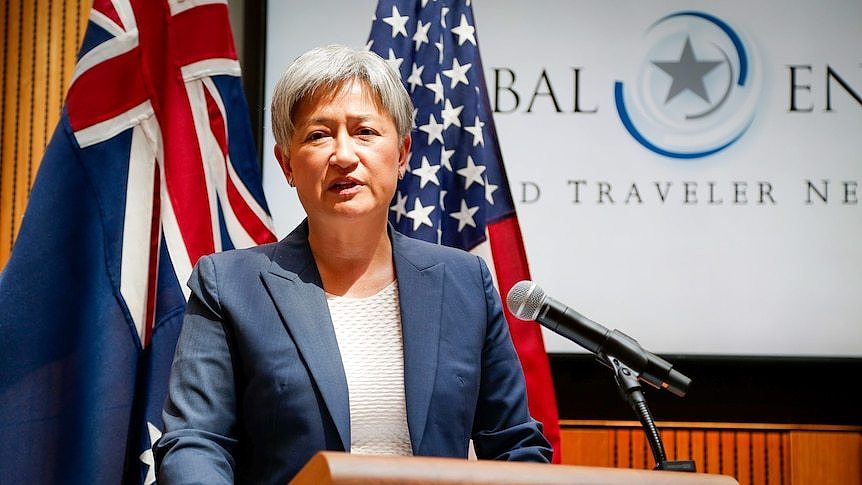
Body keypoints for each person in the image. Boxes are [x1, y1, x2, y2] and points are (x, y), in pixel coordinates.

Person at [154, 44, 552, 483]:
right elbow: (195, 441)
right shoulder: (229, 285)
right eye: (318, 135)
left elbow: (515, 445)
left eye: (365, 132)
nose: (344, 155)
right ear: (286, 163)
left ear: (402, 154)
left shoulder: (464, 282)